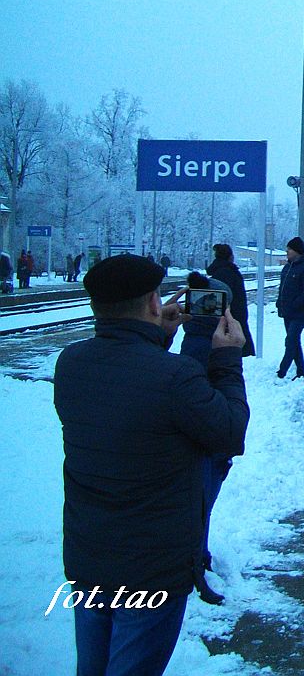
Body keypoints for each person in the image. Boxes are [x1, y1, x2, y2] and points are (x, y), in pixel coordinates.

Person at [53, 254, 248, 676]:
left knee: (92, 667)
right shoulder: (175, 376)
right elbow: (229, 432)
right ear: (153, 304)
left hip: (90, 557)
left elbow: (131, 390)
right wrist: (228, 360)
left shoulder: (70, 363)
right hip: (151, 568)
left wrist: (152, 336)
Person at [178, 271, 238, 603]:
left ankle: (198, 555)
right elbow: (226, 414)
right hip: (206, 448)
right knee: (202, 501)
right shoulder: (214, 352)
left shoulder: (189, 344)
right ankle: (196, 560)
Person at [275, 236, 304, 380]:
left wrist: (295, 304)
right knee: (294, 342)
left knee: (291, 340)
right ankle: (301, 373)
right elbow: (283, 288)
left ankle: (282, 371)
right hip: (287, 312)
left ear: (297, 251)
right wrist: (279, 302)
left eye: (290, 249)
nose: (287, 252)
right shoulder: (287, 267)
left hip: (299, 313)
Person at [207, 243, 255, 359]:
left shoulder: (217, 274)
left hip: (225, 319)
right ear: (230, 256)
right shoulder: (230, 273)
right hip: (232, 320)